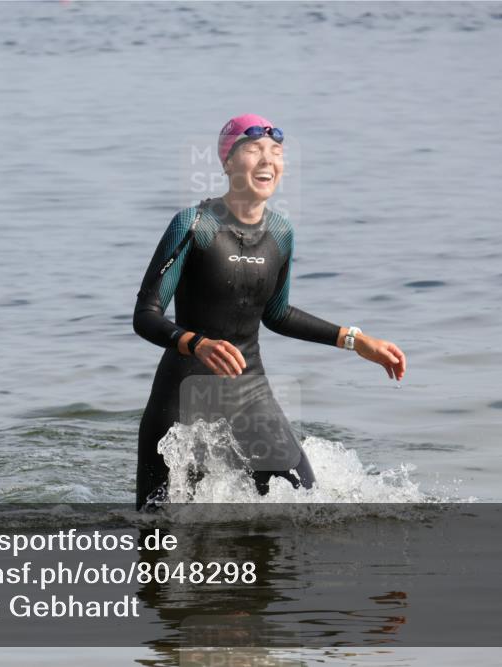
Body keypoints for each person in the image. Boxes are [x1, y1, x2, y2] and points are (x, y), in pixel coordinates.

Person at [132, 114, 406, 511]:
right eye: (253, 149)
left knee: (303, 505)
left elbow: (276, 313)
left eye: (276, 152)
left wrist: (355, 339)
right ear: (226, 163)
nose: (268, 159)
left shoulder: (281, 232)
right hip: (182, 397)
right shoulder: (194, 226)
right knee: (160, 530)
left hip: (249, 393)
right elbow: (146, 313)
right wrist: (195, 342)